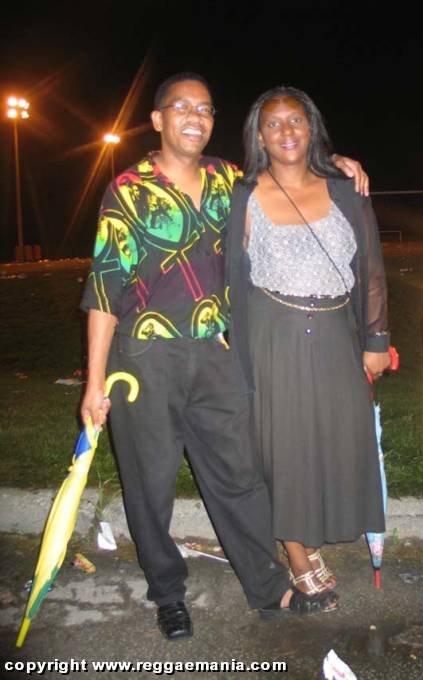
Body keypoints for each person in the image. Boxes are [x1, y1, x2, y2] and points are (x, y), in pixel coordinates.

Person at [80, 72, 368, 640]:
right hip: (143, 360)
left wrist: (337, 164)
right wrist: (94, 382)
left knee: (240, 475)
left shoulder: (228, 180)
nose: (196, 117)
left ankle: (269, 588)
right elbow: (105, 289)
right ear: (157, 119)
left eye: (206, 109)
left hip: (215, 354)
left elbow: (291, 172)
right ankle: (168, 593)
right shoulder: (128, 189)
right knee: (150, 486)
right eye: (182, 107)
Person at [226, 86, 391, 596]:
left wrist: (376, 338)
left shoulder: (345, 186)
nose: (286, 131)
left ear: (312, 126)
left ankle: (317, 527)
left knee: (337, 434)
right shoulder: (242, 194)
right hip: (272, 332)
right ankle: (297, 549)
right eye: (273, 123)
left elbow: (371, 267)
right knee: (285, 444)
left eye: (295, 120)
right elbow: (231, 275)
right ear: (259, 136)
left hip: (338, 331)